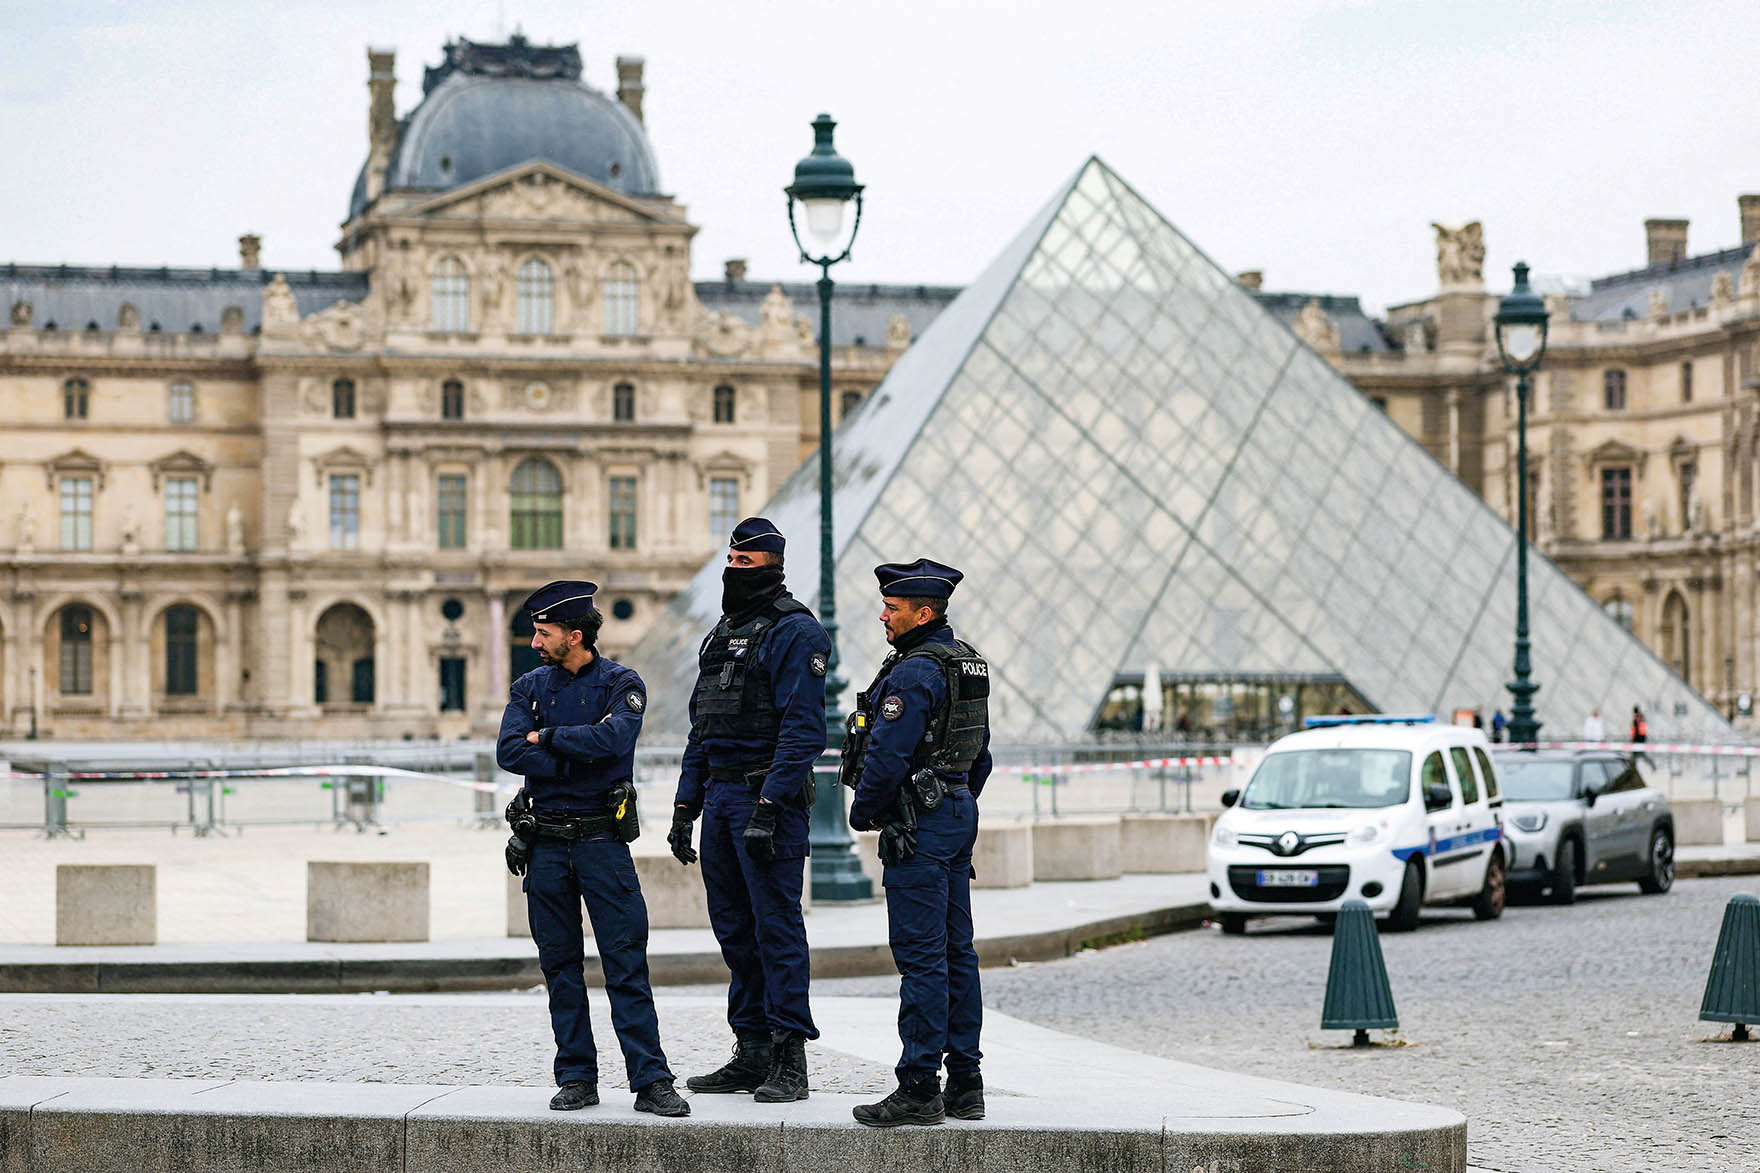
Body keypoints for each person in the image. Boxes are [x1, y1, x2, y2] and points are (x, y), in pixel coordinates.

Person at [497, 580, 689, 1117]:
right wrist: (577, 752)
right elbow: (509, 751)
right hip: (546, 844)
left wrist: (545, 738)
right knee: (559, 968)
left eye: (543, 633)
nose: (534, 642)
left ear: (574, 635)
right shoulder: (529, 686)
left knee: (626, 965)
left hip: (603, 841)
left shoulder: (622, 683)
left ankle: (651, 1080)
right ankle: (577, 1077)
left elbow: (614, 742)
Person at [668, 517, 830, 1102]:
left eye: (745, 564)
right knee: (735, 931)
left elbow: (803, 731)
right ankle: (752, 1048)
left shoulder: (796, 631)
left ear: (772, 567)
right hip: (720, 799)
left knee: (776, 930)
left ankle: (790, 1058)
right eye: (730, 562)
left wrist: (769, 805)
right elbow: (702, 727)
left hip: (766, 799)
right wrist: (685, 805)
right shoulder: (721, 633)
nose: (733, 572)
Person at [843, 559, 992, 1128]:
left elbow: (887, 755)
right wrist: (955, 798)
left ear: (923, 614)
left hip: (918, 824)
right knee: (958, 952)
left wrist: (866, 811)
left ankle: (919, 1086)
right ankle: (966, 1084)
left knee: (922, 958)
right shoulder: (967, 663)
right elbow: (981, 753)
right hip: (955, 812)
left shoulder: (914, 673)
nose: (883, 615)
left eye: (893, 608)